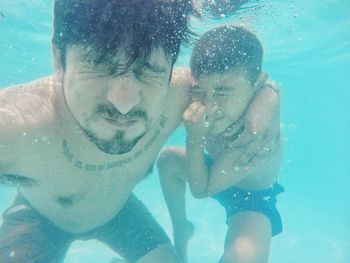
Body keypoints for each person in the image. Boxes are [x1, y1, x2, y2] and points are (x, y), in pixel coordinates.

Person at [0, 1, 198, 262]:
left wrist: (267, 97)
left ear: (171, 71)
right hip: (39, 215)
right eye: (99, 64)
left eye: (148, 70)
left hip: (120, 212)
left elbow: (246, 84)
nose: (124, 103)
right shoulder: (19, 125)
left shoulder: (184, 94)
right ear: (59, 59)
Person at [157, 25, 284, 263]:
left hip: (251, 199)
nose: (209, 105)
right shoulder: (218, 98)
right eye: (199, 90)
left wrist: (194, 138)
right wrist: (273, 91)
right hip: (213, 171)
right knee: (168, 161)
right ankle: (181, 228)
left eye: (223, 92)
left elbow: (201, 190)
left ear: (257, 84)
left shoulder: (254, 132)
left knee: (242, 259)